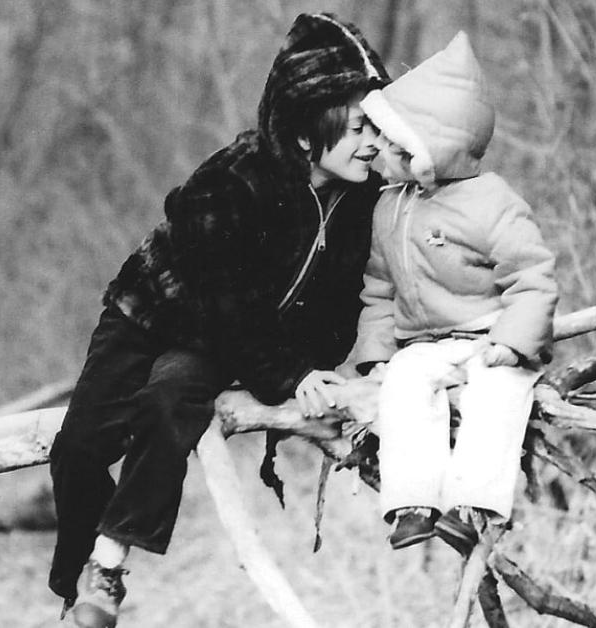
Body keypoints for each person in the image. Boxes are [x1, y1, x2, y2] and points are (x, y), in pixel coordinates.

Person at [47, 13, 389, 628]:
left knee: (167, 402)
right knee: (78, 448)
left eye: (378, 127)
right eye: (361, 126)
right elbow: (222, 298)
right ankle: (75, 588)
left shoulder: (363, 201)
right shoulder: (236, 178)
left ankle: (106, 574)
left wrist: (311, 369)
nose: (372, 141)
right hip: (150, 313)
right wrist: (285, 374)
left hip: (220, 343)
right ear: (311, 130)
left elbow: (341, 308)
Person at [341, 31, 558, 555]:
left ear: (426, 153)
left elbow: (532, 277)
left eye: (393, 147)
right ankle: (415, 503)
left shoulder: (491, 202)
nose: (378, 154)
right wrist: (377, 356)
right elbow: (379, 289)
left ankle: (472, 507)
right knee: (406, 386)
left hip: (488, 335)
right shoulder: (390, 208)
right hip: (426, 343)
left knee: (498, 392)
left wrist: (514, 341)